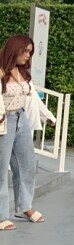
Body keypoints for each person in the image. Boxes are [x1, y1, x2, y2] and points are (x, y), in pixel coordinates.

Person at [1, 35, 55, 229]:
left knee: (27, 164)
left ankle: (25, 206)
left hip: (21, 120)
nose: (28, 55)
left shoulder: (22, 72)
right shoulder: (0, 71)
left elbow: (33, 99)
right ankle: (1, 215)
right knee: (1, 169)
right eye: (25, 51)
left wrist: (49, 116)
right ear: (14, 49)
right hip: (3, 121)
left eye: (30, 52)